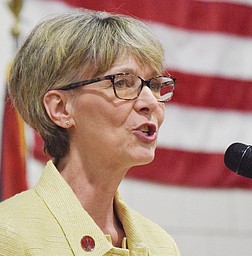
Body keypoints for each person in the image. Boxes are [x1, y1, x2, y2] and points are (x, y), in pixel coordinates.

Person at [0, 9, 179, 255]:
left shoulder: (161, 246)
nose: (150, 102)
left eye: (156, 85)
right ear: (61, 109)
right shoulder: (8, 236)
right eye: (122, 83)